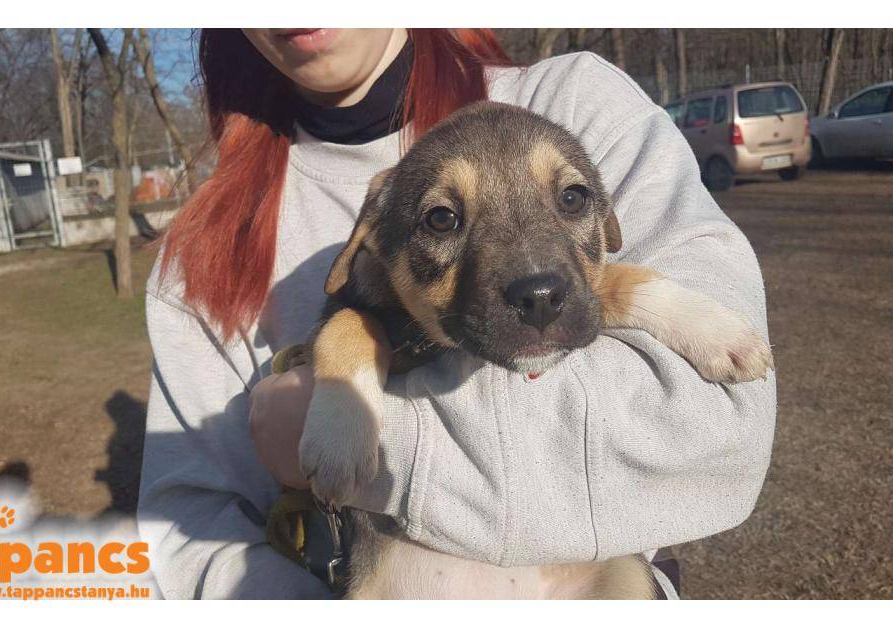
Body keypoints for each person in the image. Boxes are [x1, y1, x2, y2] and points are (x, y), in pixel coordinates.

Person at [137, 28, 776, 599]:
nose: (536, 283)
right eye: (443, 219)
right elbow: (187, 527)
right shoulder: (200, 250)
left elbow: (722, 422)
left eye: (572, 200)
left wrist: (393, 444)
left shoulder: (578, 100)